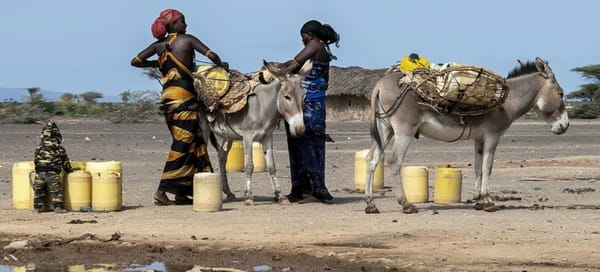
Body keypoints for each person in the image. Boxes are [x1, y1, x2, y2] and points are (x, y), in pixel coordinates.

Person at [131, 9, 228, 205]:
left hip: (168, 99)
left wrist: (158, 64)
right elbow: (212, 55)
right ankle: (162, 190)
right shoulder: (187, 39)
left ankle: (183, 192)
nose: (186, 25)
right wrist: (222, 65)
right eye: (183, 22)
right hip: (184, 98)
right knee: (183, 142)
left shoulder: (158, 46)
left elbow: (135, 61)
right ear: (173, 25)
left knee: (195, 141)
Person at [279, 20, 340, 203]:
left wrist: (273, 71)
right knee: (313, 145)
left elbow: (293, 64)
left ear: (310, 35)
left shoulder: (314, 45)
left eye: (303, 36)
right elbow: (326, 82)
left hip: (307, 105)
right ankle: (309, 187)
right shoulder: (325, 52)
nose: (302, 40)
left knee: (304, 143)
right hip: (317, 102)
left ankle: (311, 188)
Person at [33, 120, 73, 213]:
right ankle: (58, 207)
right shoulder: (59, 147)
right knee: (56, 190)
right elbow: (65, 163)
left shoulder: (39, 147)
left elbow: (35, 160)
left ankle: (39, 207)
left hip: (39, 172)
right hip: (52, 173)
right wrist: (69, 171)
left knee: (39, 190)